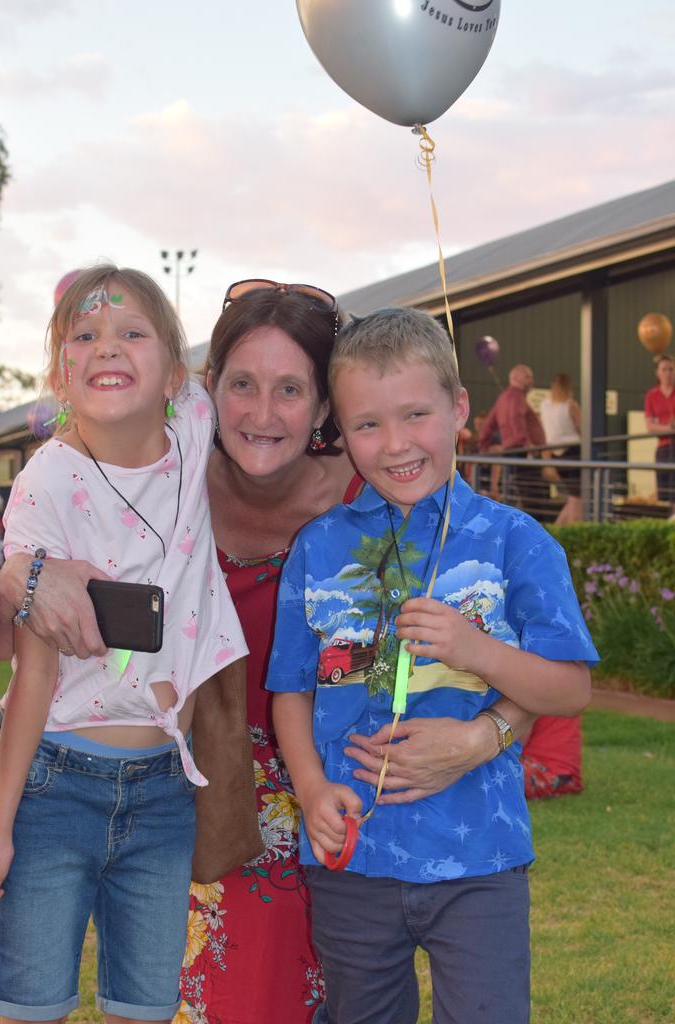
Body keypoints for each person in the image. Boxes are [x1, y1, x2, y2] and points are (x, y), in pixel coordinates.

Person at [0, 283, 540, 1024]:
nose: (260, 413)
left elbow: (519, 650)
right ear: (206, 388)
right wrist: (21, 572)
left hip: (343, 806)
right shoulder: (165, 473)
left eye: (290, 390)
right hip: (195, 796)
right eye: (241, 385)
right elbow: (30, 574)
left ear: (325, 412)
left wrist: (485, 735)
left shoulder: (382, 491)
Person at [267, 307, 597, 1024]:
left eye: (416, 414)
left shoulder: (517, 541)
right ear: (340, 430)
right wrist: (311, 786)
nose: (395, 445)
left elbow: (570, 688)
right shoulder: (317, 547)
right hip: (352, 860)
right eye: (367, 425)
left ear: (460, 409)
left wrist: (477, 651)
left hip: (479, 858)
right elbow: (290, 689)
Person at [0, 265, 246, 1024]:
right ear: (61, 372)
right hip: (56, 785)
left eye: (130, 333)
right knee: (31, 1008)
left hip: (163, 795)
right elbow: (31, 674)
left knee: (145, 1010)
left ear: (175, 373)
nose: (105, 347)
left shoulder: (193, 427)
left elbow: (251, 343)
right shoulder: (46, 487)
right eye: (82, 337)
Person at [478, 363, 548, 517]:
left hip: (513, 453)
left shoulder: (502, 398)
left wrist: (483, 448)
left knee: (522, 494)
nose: (532, 380)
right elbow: (515, 419)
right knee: (536, 497)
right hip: (522, 452)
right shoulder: (517, 397)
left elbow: (487, 426)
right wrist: (526, 444)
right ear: (516, 378)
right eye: (528, 376)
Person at [540, 372, 583, 525]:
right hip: (572, 450)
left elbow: (544, 431)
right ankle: (572, 527)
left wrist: (546, 458)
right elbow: (583, 428)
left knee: (573, 495)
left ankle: (558, 528)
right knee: (577, 495)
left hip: (554, 452)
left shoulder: (545, 405)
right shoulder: (570, 405)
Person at [520, 715, 583, 799]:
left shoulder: (528, 701)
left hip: (545, 773)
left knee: (501, 770)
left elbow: (517, 738)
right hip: (565, 775)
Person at [644, 353, 675, 518]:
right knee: (664, 492)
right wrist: (668, 428)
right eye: (664, 369)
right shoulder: (652, 395)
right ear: (658, 373)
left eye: (671, 369)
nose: (668, 373)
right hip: (663, 446)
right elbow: (649, 425)